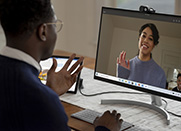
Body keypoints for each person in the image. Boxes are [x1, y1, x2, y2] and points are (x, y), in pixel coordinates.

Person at [0, 0, 123, 131]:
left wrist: (49, 90)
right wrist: (104, 129)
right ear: (43, 31)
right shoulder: (43, 102)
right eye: (55, 24)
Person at [117, 23, 166, 88]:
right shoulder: (125, 66)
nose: (145, 40)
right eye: (144, 36)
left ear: (154, 44)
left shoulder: (160, 74)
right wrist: (120, 78)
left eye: (150, 39)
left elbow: (159, 98)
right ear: (139, 37)